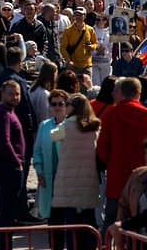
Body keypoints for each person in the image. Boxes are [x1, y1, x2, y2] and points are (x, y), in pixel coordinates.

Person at [97, 77, 147, 229]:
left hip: (116, 177)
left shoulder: (111, 115)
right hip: (140, 179)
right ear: (138, 94)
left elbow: (102, 150)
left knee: (110, 221)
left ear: (121, 93)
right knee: (137, 224)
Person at [49, 93, 101, 250]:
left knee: (72, 223)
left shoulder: (66, 126)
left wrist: (65, 120)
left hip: (69, 181)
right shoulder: (95, 126)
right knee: (88, 220)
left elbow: (53, 136)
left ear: (73, 107)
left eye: (68, 104)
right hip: (88, 179)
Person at [0, 80, 25, 250]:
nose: (15, 97)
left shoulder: (9, 112)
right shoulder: (1, 113)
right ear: (2, 94)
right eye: (11, 93)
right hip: (7, 168)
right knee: (5, 213)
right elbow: (4, 142)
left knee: (8, 213)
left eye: (17, 94)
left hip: (10, 167)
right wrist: (17, 163)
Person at [32, 89, 68, 222]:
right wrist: (39, 170)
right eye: (54, 104)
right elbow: (37, 151)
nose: (57, 107)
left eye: (61, 104)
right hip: (48, 176)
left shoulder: (71, 125)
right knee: (53, 217)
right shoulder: (44, 126)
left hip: (66, 177)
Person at [60, 7, 98, 80]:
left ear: (85, 16)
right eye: (76, 15)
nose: (78, 17)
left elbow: (95, 43)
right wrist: (68, 60)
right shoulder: (68, 30)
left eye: (80, 15)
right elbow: (63, 47)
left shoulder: (90, 29)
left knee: (87, 86)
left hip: (87, 64)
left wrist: (91, 47)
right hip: (74, 65)